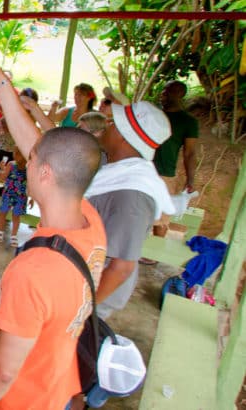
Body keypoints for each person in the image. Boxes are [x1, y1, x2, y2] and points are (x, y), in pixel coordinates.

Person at [0, 57, 107, 410]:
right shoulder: (90, 221)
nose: (27, 158)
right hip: (58, 388)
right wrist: (1, 85)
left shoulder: (34, 269)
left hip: (19, 401)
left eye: (32, 159)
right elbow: (41, 148)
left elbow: (2, 371)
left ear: (43, 173)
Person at [83, 100, 175, 319]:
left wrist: (83, 310)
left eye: (113, 123)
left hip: (93, 293)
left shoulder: (132, 195)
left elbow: (121, 266)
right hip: (80, 277)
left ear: (124, 135)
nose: (107, 126)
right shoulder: (112, 165)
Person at [152, 80, 198, 239]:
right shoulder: (153, 113)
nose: (162, 94)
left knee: (161, 217)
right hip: (142, 168)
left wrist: (190, 179)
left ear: (180, 94)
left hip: (165, 173)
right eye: (163, 90)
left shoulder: (188, 121)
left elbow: (190, 153)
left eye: (167, 91)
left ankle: (154, 254)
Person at [0, 88, 38, 193]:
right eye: (21, 100)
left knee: (10, 184)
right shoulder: (11, 109)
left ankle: (5, 207)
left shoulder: (32, 118)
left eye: (26, 101)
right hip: (0, 149)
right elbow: (1, 126)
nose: (23, 103)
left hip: (16, 155)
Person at [0, 149, 30, 248]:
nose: (13, 154)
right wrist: (3, 168)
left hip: (14, 194)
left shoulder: (20, 166)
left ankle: (6, 233)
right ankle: (8, 233)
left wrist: (2, 168)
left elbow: (2, 177)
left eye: (15, 153)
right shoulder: (18, 165)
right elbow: (3, 177)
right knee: (10, 214)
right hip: (15, 195)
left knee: (9, 214)